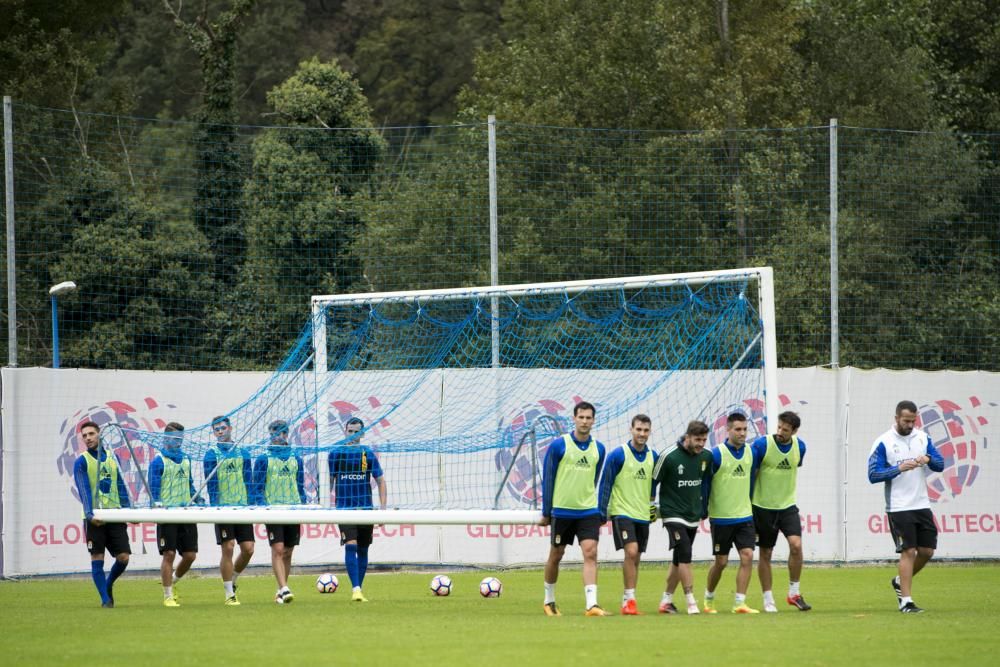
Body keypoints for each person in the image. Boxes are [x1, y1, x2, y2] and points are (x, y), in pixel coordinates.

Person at [868, 400, 944, 613]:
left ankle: (899, 581)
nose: (910, 425)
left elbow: (940, 464)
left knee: (927, 551)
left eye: (913, 420)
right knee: (909, 551)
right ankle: (906, 601)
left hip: (922, 504)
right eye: (906, 421)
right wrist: (898, 468)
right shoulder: (883, 442)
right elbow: (873, 475)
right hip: (899, 507)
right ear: (896, 419)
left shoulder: (923, 437)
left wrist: (928, 458)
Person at [540, 401, 608, 616]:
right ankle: (549, 600)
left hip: (588, 511)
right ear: (574, 418)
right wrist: (546, 511)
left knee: (591, 552)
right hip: (562, 511)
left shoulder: (599, 448)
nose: (585, 421)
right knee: (556, 554)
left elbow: (594, 479)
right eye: (581, 417)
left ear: (593, 420)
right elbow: (548, 478)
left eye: (589, 418)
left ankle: (591, 605)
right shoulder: (559, 446)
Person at [597, 414, 658, 615]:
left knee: (636, 557)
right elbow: (606, 483)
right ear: (630, 429)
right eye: (638, 429)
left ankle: (627, 598)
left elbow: (654, 483)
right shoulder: (618, 455)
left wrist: (652, 504)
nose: (642, 434)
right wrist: (601, 510)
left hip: (642, 514)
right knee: (631, 552)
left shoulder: (653, 457)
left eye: (646, 430)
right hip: (622, 512)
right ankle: (630, 601)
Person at [751, 410, 811, 612]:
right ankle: (768, 599)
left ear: (794, 431)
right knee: (765, 553)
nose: (780, 432)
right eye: (779, 427)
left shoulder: (800, 447)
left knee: (796, 545)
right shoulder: (761, 445)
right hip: (763, 507)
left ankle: (794, 593)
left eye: (785, 430)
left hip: (787, 507)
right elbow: (753, 473)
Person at [652, 420, 713, 615]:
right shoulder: (668, 456)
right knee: (685, 552)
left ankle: (666, 601)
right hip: (672, 514)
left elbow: (705, 483)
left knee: (678, 559)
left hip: (692, 515)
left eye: (704, 440)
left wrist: (703, 507)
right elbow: (653, 483)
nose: (701, 444)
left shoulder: (706, 457)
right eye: (697, 439)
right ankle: (691, 601)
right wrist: (651, 506)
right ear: (687, 437)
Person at [704, 412, 759, 614]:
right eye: (738, 429)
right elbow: (706, 484)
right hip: (721, 518)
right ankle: (708, 597)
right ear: (727, 430)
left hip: (745, 517)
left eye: (745, 429)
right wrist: (704, 509)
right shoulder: (716, 454)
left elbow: (753, 481)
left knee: (747, 555)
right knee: (721, 562)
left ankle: (740, 602)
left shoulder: (751, 453)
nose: (742, 433)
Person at [72, 420, 132, 608]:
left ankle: (107, 585)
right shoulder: (82, 461)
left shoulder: (113, 458)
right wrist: (90, 514)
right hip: (94, 517)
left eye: (91, 434)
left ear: (100, 434)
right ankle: (106, 600)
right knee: (97, 558)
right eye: (85, 436)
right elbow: (83, 490)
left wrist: (129, 511)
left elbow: (121, 486)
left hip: (114, 515)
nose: (88, 438)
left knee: (123, 557)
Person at [329, 417, 387, 602]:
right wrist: (324, 506)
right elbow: (328, 482)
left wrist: (382, 509)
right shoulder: (336, 453)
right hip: (345, 509)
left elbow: (381, 480)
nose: (352, 435)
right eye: (349, 431)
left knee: (363, 550)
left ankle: (359, 589)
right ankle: (355, 588)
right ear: (344, 431)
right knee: (350, 545)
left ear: (362, 434)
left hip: (366, 509)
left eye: (356, 432)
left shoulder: (367, 454)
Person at [204, 415, 255, 606]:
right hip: (223, 508)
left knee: (248, 549)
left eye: (223, 428)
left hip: (242, 508)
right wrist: (216, 507)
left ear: (230, 428)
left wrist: (251, 503)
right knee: (228, 547)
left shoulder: (243, 452)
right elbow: (212, 485)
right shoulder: (211, 454)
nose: (220, 432)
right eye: (216, 429)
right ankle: (228, 594)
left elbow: (248, 479)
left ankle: (233, 578)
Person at [253, 419, 306, 604]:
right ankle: (284, 588)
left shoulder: (296, 458)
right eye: (275, 432)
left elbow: (300, 486)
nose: (279, 436)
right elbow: (257, 487)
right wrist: (263, 506)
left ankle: (280, 590)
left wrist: (303, 504)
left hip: (292, 510)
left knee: (288, 551)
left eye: (282, 433)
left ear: (287, 434)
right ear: (270, 434)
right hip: (273, 511)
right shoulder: (263, 459)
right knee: (278, 548)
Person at [148, 422, 198, 608]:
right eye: (174, 438)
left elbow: (190, 483)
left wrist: (196, 497)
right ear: (165, 438)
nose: (178, 442)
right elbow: (153, 488)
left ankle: (173, 580)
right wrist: (157, 504)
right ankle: (168, 595)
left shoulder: (187, 459)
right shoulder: (158, 461)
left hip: (185, 514)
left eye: (180, 438)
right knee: (168, 554)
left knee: (190, 555)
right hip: (167, 515)